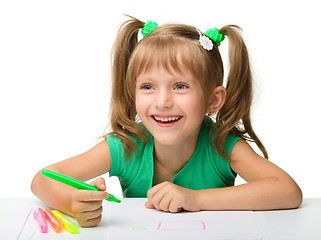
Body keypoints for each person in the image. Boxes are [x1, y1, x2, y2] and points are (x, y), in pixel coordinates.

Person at [31, 16, 302, 227]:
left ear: (213, 100)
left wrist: (195, 199)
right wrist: (72, 202)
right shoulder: (125, 146)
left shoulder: (222, 145)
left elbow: (288, 192)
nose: (162, 102)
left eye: (180, 86)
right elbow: (43, 179)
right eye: (148, 87)